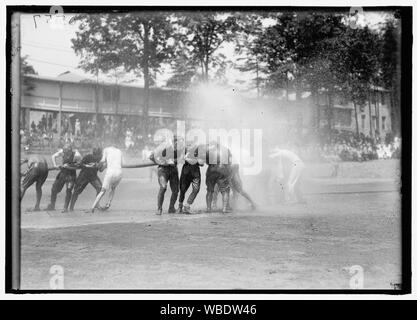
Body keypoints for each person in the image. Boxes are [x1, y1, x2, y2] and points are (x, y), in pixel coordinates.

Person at [149, 136, 181, 215]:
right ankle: (159, 209)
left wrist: (175, 161)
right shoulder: (163, 147)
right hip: (163, 170)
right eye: (178, 143)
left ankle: (171, 208)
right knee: (163, 187)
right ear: (174, 142)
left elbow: (179, 159)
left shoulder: (180, 149)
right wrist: (163, 162)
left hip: (173, 170)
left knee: (176, 190)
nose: (179, 145)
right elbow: (151, 156)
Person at [46, 144, 82, 212]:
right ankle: (52, 205)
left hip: (71, 175)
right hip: (63, 173)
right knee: (54, 189)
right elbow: (53, 156)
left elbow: (80, 166)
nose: (65, 154)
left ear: (70, 150)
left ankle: (65, 208)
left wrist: (69, 166)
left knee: (68, 191)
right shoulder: (62, 151)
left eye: (67, 153)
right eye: (64, 153)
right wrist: (55, 165)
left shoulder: (77, 155)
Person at [91, 145, 123, 212]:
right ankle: (108, 203)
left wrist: (99, 165)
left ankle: (93, 207)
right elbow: (122, 163)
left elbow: (102, 160)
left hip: (110, 172)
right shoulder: (119, 151)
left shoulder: (106, 149)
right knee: (113, 188)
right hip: (119, 172)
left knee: (102, 191)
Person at [204, 142, 232, 213]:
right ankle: (224, 209)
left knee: (209, 191)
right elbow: (230, 162)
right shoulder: (226, 150)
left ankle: (208, 208)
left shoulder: (208, 150)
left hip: (211, 170)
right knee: (224, 190)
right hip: (222, 170)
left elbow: (206, 162)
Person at [178, 143, 204, 214]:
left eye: (191, 144)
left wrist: (187, 158)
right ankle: (180, 206)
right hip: (185, 173)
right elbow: (180, 160)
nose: (189, 146)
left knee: (196, 190)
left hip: (195, 173)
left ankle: (187, 205)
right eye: (188, 144)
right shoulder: (184, 150)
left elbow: (201, 163)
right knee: (182, 190)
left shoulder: (199, 151)